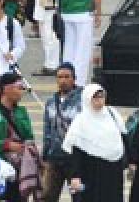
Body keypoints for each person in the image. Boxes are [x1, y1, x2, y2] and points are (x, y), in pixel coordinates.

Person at [0, 71, 37, 201]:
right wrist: (6, 145)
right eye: (19, 88)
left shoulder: (21, 112)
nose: (21, 92)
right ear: (6, 89)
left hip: (19, 168)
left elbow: (29, 136)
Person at [62, 83, 126, 202]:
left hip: (113, 169)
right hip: (91, 170)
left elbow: (122, 136)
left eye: (101, 96)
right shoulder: (81, 121)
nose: (99, 100)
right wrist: (75, 175)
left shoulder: (112, 114)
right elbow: (76, 151)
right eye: (95, 97)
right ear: (88, 99)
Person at [41, 63, 83, 202]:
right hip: (54, 158)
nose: (63, 80)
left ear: (74, 79)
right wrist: (44, 157)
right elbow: (47, 131)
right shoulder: (51, 102)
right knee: (47, 196)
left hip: (76, 159)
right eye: (59, 77)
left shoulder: (83, 100)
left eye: (67, 77)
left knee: (79, 197)